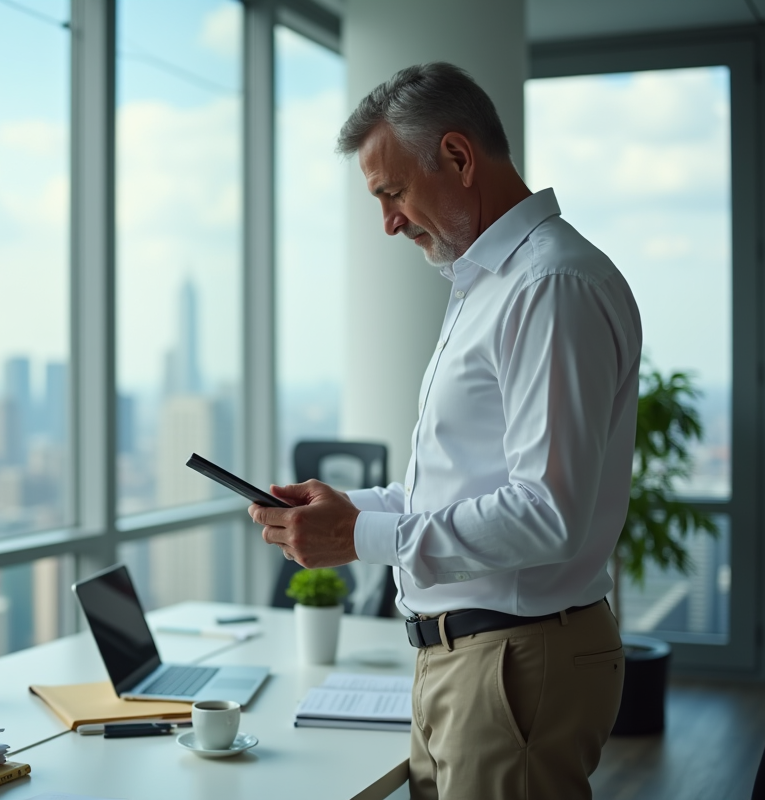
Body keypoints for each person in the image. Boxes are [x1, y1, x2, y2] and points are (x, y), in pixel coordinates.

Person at [249, 62, 642, 800]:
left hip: (514, 661)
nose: (389, 221)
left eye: (392, 192)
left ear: (459, 158)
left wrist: (362, 541)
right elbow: (461, 485)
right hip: (469, 660)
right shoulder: (488, 284)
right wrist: (348, 512)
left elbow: (546, 512)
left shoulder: (548, 286)